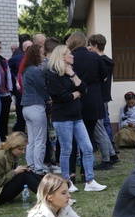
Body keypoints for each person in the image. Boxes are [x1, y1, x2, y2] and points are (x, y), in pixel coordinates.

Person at [46, 45, 107, 192]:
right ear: (62, 57)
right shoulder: (52, 75)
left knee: (87, 147)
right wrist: (76, 93)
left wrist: (73, 76)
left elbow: (84, 89)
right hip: (62, 117)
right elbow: (63, 97)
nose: (73, 56)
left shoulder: (71, 72)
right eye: (69, 54)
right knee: (67, 149)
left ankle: (90, 181)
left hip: (77, 115)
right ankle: (66, 182)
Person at [0, 132, 43, 208]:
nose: (23, 152)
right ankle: (47, 196)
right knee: (25, 176)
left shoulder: (11, 154)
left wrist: (19, 170)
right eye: (20, 149)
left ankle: (51, 189)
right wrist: (15, 172)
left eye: (24, 149)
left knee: (27, 172)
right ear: (12, 146)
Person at [20, 44, 49, 176]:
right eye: (41, 54)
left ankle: (31, 166)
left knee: (32, 139)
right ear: (36, 55)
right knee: (40, 140)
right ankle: (38, 168)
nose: (43, 56)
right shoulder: (35, 70)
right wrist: (49, 98)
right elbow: (42, 87)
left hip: (26, 107)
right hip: (36, 107)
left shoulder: (26, 70)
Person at [88, 34, 119, 156]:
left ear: (95, 45)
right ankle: (111, 153)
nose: (89, 48)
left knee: (100, 128)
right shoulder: (107, 61)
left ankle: (109, 155)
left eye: (90, 45)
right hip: (104, 97)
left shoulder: (100, 61)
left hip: (99, 97)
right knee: (103, 125)